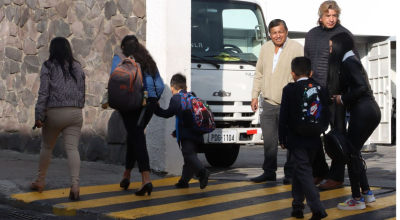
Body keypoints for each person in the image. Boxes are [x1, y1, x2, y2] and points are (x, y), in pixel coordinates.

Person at [304, 0, 360, 190]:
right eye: (327, 15)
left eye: (334, 15)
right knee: (311, 134)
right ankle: (319, 171)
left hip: (336, 95)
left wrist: (345, 92)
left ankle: (336, 177)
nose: (331, 19)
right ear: (320, 17)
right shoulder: (311, 35)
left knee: (338, 136)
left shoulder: (345, 35)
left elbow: (353, 63)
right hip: (315, 93)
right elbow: (307, 62)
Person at [328, 32, 381, 210]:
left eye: (330, 46)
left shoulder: (349, 62)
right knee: (354, 152)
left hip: (363, 110)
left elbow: (361, 87)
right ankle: (366, 193)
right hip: (370, 110)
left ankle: (356, 199)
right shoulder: (351, 61)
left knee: (350, 154)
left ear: (338, 46)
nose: (329, 50)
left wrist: (342, 99)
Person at [31, 37, 85, 200]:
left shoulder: (48, 66)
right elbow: (83, 90)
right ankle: (75, 186)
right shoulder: (77, 66)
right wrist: (77, 107)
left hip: (54, 112)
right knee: (72, 149)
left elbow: (44, 92)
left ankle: (40, 182)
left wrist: (39, 115)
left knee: (47, 146)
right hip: (75, 113)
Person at [251, 19, 303, 184]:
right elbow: (259, 73)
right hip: (267, 102)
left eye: (280, 32)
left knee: (290, 141)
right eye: (274, 33)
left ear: (286, 31)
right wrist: (254, 95)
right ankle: (269, 172)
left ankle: (290, 174)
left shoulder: (296, 48)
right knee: (269, 141)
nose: (278, 35)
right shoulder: (265, 48)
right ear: (270, 34)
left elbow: (302, 74)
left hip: (288, 103)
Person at [110, 35, 164, 196]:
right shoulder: (148, 60)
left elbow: (115, 80)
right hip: (150, 103)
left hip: (131, 103)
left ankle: (146, 180)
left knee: (138, 138)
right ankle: (126, 175)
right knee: (134, 136)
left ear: (123, 47)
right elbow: (160, 85)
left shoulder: (120, 58)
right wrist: (154, 99)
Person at [279, 57, 329, 220]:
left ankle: (318, 209)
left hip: (296, 138)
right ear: (311, 72)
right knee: (299, 171)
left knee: (304, 172)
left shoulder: (289, 89)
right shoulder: (321, 88)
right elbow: (326, 113)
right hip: (314, 138)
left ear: (293, 73)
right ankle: (297, 206)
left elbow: (284, 116)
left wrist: (282, 137)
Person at [155, 73, 210, 189]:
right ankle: (184, 181)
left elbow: (166, 113)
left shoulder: (176, 98)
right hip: (197, 132)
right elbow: (186, 117)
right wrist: (177, 131)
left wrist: (155, 107)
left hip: (187, 135)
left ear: (172, 88)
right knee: (189, 157)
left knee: (188, 154)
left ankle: (202, 172)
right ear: (186, 87)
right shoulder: (192, 96)